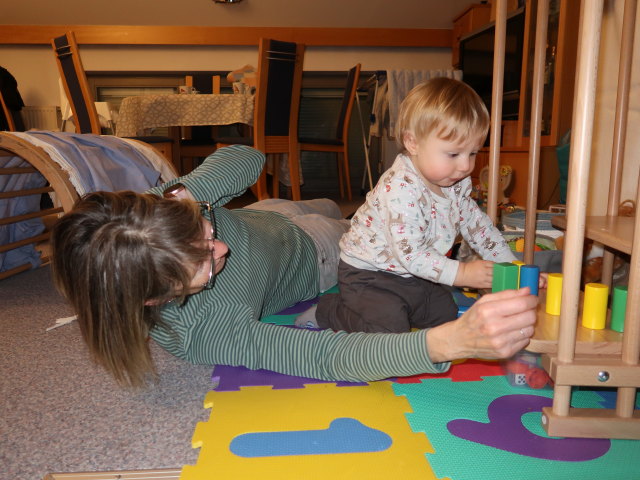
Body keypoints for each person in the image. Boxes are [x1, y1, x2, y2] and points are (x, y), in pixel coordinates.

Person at [51, 144, 539, 389]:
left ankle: (314, 207)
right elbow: (324, 358)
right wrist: (448, 341)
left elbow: (248, 156)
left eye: (205, 230)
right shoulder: (206, 332)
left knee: (323, 201)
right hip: (315, 254)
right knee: (352, 221)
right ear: (155, 297)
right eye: (202, 261)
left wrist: (190, 198)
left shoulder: (166, 214)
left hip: (265, 216)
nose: (218, 250)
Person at [300, 77, 544, 333]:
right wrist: (462, 274)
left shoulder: (455, 182)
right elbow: (411, 254)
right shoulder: (400, 189)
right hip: (369, 275)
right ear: (413, 143)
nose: (465, 166)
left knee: (445, 315)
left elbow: (479, 228)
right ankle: (331, 310)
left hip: (411, 275)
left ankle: (400, 307)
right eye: (453, 154)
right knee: (389, 328)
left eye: (472, 153)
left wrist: (511, 267)